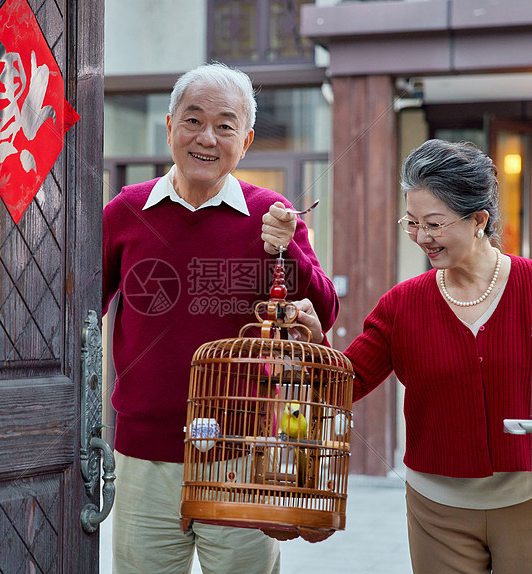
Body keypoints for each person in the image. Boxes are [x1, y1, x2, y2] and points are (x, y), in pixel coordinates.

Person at [102, 62, 338, 574]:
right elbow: (78, 310)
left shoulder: (271, 212)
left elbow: (324, 313)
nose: (206, 137)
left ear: (246, 140)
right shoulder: (126, 210)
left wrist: (289, 249)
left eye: (225, 125)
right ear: (169, 127)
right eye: (193, 120)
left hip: (243, 455)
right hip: (144, 457)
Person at [294, 139, 532, 574]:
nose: (421, 238)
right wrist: (315, 339)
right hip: (437, 509)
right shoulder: (402, 304)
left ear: (479, 220)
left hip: (529, 499)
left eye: (434, 224)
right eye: (411, 223)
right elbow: (344, 384)